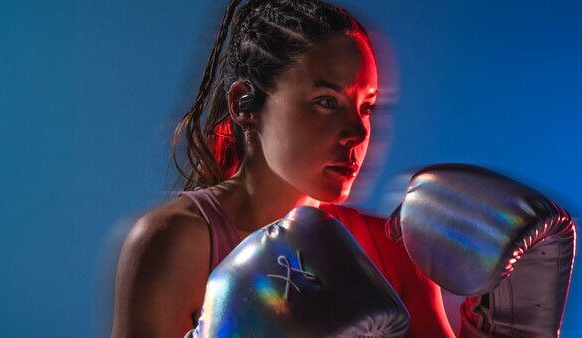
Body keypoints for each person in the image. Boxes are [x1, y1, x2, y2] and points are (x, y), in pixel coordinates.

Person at [111, 0, 456, 336]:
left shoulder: (395, 251)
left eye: (367, 107)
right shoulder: (173, 244)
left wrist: (491, 324)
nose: (358, 131)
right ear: (243, 104)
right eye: (327, 102)